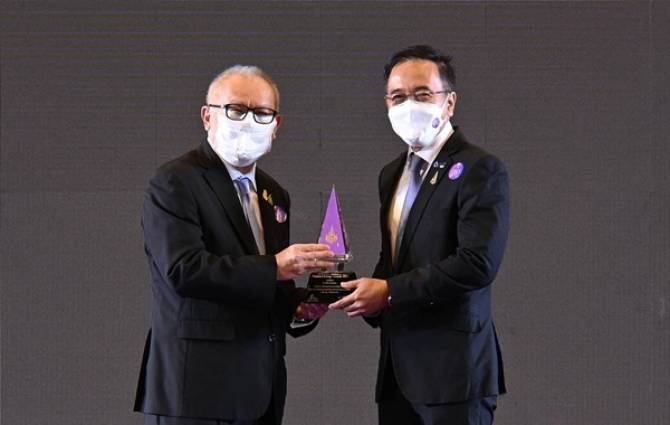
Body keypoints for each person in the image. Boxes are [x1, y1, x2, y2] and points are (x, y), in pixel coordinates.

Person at [134, 65, 333, 425]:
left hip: (261, 389)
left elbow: (268, 286)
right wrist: (276, 266)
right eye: (236, 110)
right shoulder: (175, 181)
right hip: (196, 390)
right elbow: (183, 269)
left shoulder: (274, 194)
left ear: (276, 125)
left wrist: (302, 306)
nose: (248, 122)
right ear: (207, 116)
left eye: (262, 113)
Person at [330, 45, 509, 425]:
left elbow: (477, 263)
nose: (408, 105)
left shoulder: (480, 168)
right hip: (397, 371)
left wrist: (389, 291)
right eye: (397, 97)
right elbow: (395, 259)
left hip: (454, 373)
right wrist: (356, 293)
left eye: (422, 94)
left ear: (449, 102)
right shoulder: (391, 174)